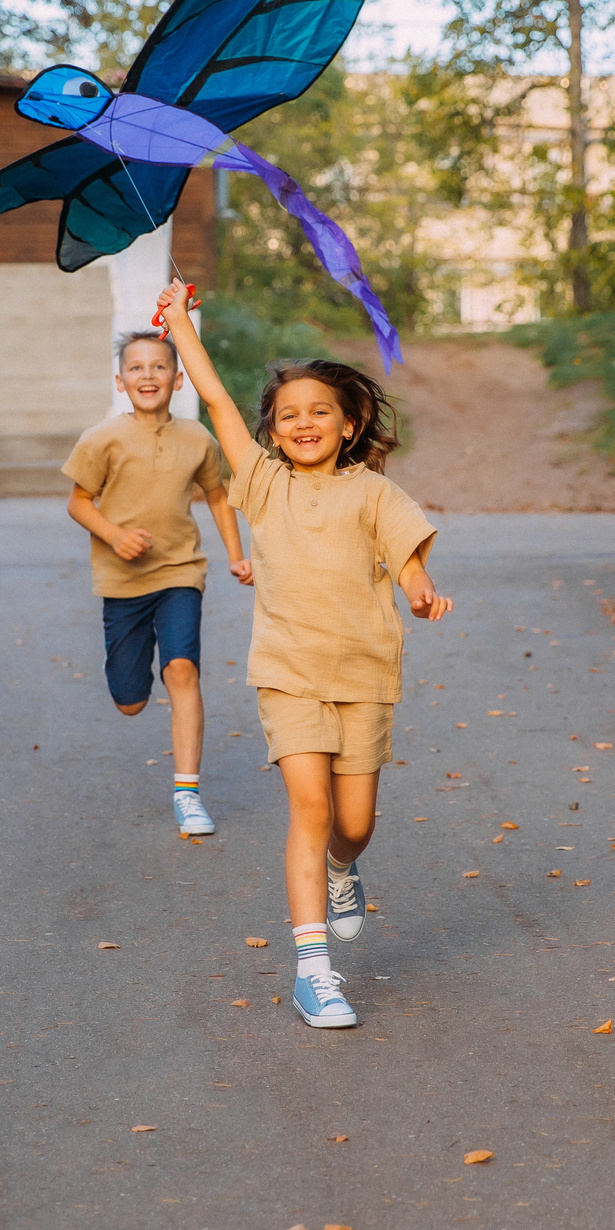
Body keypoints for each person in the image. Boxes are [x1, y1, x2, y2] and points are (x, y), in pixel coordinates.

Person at [150, 284, 452, 1030]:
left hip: (365, 674)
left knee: (353, 825)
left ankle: (346, 869)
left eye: (320, 410)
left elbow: (407, 558)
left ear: (349, 423)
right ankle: (313, 971)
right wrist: (181, 325)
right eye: (289, 415)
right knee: (310, 809)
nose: (304, 422)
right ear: (274, 433)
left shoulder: (375, 493)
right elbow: (216, 397)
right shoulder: (260, 482)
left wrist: (418, 588)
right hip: (288, 673)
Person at [64, 329, 248, 839]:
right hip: (122, 581)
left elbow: (216, 495)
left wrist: (236, 556)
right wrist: (114, 534)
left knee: (183, 670)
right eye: (137, 368)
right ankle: (127, 672)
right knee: (131, 700)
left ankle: (187, 793)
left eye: (159, 366)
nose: (148, 375)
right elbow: (79, 502)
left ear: (178, 378)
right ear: (121, 381)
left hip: (179, 573)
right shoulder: (102, 439)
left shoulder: (197, 439)